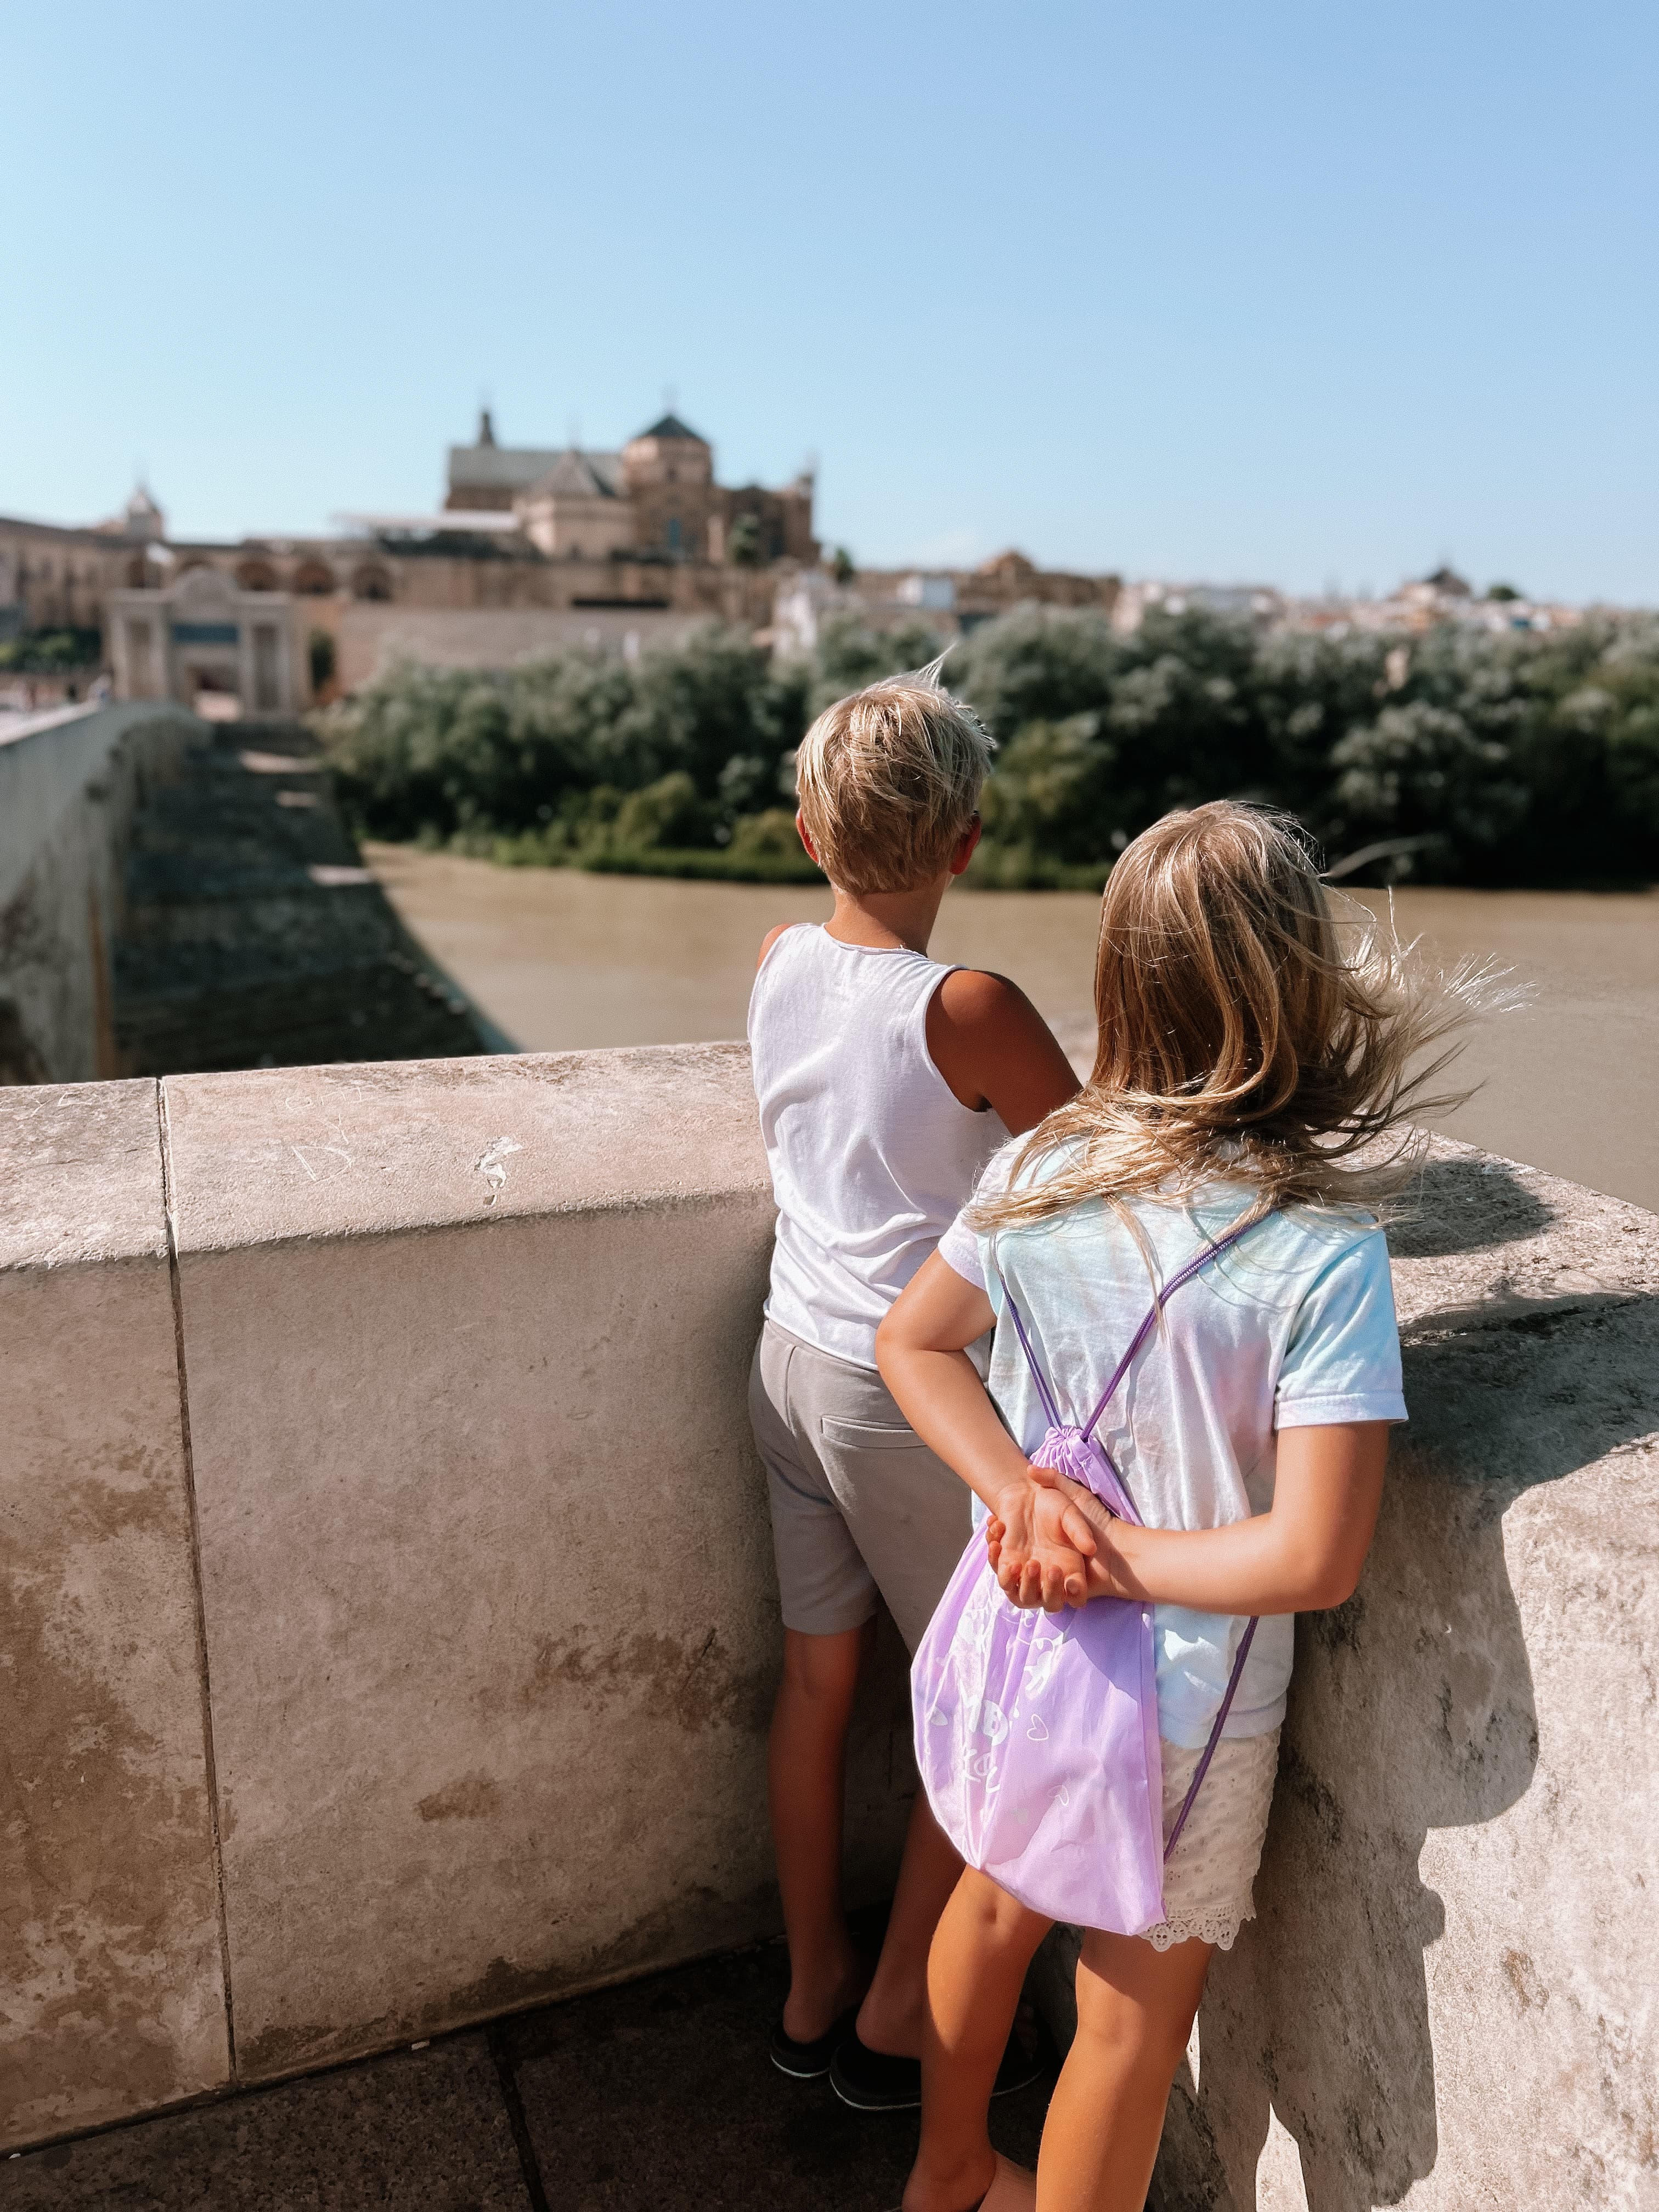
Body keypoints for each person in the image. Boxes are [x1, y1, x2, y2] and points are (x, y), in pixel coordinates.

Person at [876, 800, 1486, 2211]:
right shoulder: (1322, 1254)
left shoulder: (1044, 1162)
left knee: (989, 1895)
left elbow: (915, 1341)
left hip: (1024, 1640)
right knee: (1130, 2024)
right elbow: (1316, 1558)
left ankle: (948, 2171)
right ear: (1298, 986)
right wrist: (1115, 1557)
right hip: (1186, 1703)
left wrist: (1022, 1498)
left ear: (1118, 977)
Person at [749, 665, 1080, 2112]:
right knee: (980, 1709)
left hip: (782, 1360)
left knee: (818, 1687)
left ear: (809, 837)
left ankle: (811, 1982)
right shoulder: (970, 1004)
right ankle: (895, 2018)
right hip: (904, 1401)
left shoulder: (775, 959)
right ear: (968, 841)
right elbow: (1089, 1167)